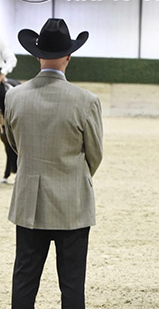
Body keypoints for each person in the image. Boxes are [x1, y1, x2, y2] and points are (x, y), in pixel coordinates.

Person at [4, 18, 103, 309]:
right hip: (72, 203)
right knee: (72, 285)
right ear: (69, 56)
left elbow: (13, 142)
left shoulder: (13, 96)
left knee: (24, 281)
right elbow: (95, 154)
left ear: (37, 55)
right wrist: (73, 174)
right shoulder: (86, 101)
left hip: (28, 202)